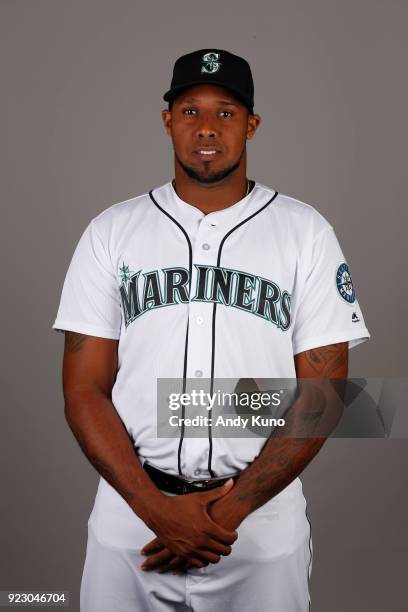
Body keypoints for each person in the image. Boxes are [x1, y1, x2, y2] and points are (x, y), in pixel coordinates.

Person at [52, 48, 370, 611]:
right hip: (132, 521)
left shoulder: (306, 232)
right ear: (167, 119)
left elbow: (323, 393)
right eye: (190, 109)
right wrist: (155, 510)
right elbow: (83, 388)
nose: (206, 127)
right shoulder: (111, 232)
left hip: (258, 525)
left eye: (225, 112)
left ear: (251, 124)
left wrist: (224, 515)